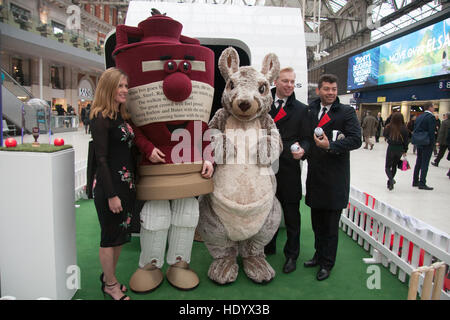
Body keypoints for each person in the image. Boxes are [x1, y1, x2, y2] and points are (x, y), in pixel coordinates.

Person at [305, 74, 361, 281]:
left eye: (334, 89)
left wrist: (331, 146)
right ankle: (318, 256)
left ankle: (327, 264)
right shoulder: (310, 110)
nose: (330, 92)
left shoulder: (346, 112)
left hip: (335, 179)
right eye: (326, 89)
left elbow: (356, 140)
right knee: (317, 223)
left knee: (330, 226)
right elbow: (305, 137)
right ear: (318, 90)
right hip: (315, 177)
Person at [90, 67, 136, 300]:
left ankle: (111, 278)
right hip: (110, 189)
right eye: (120, 85)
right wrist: (111, 195)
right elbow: (101, 159)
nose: (125, 90)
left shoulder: (120, 116)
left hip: (125, 186)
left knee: (119, 236)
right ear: (108, 87)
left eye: (126, 86)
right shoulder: (100, 118)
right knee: (109, 237)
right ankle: (109, 285)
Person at [264, 67, 311, 274]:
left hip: (289, 168)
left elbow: (307, 139)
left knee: (291, 213)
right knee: (266, 210)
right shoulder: (262, 103)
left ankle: (292, 254)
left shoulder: (302, 109)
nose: (290, 85)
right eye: (285, 81)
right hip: (265, 168)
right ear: (276, 81)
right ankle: (267, 246)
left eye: (292, 81)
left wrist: (303, 150)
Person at [412, 102, 436, 190]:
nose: (434, 109)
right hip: (427, 142)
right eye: (433, 107)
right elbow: (431, 132)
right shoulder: (431, 117)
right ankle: (422, 182)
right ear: (430, 107)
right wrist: (433, 143)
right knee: (425, 162)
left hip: (419, 141)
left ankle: (415, 180)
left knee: (418, 161)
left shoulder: (419, 117)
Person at [383, 112, 409, 190]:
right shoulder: (404, 129)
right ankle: (390, 182)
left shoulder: (388, 127)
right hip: (400, 149)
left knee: (387, 166)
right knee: (394, 166)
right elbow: (406, 141)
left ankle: (391, 180)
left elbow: (385, 135)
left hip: (391, 148)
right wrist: (405, 150)